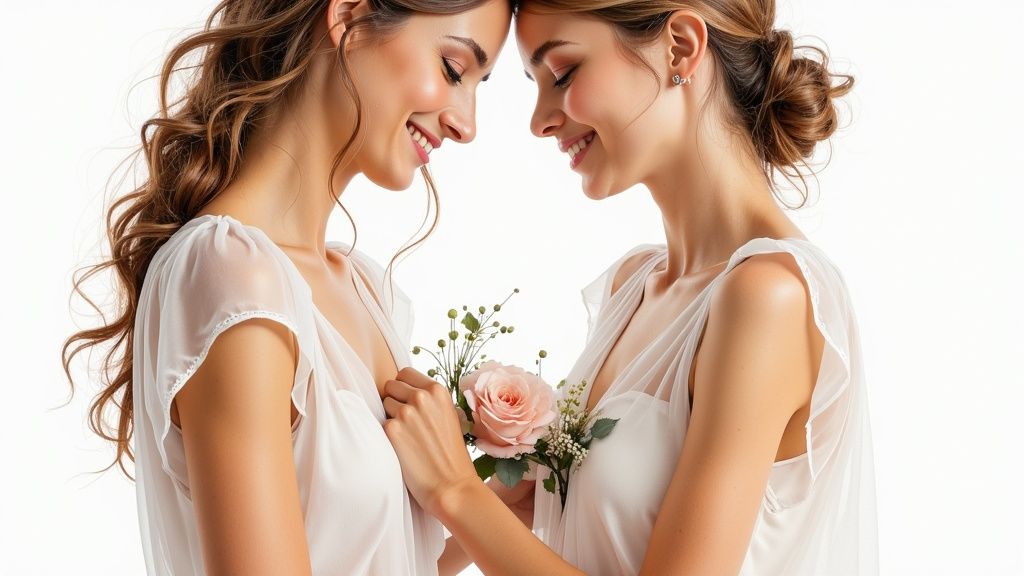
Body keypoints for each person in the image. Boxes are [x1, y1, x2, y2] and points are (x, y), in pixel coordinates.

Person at [381, 1, 878, 574]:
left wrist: (453, 489)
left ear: (680, 48)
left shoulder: (768, 298)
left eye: (563, 74)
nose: (540, 119)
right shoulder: (634, 286)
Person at [62, 1, 511, 574]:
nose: (466, 123)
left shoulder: (363, 287)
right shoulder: (234, 276)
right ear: (348, 19)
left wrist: (488, 511)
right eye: (452, 68)